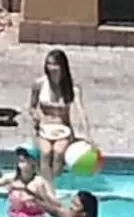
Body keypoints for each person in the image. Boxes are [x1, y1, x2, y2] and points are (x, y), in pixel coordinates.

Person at [30, 48, 91, 179]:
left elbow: (81, 112)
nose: (51, 68)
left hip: (64, 129)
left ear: (63, 66)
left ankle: (54, 184)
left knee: (58, 152)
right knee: (45, 153)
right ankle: (45, 185)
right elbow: (32, 107)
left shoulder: (72, 87)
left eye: (55, 64)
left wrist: (87, 135)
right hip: (44, 128)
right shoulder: (39, 84)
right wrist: (36, 116)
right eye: (49, 64)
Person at [0, 148, 59, 217]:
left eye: (26, 155)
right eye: (20, 154)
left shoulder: (40, 182)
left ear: (34, 162)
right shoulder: (11, 178)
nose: (21, 156)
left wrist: (36, 197)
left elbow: (55, 203)